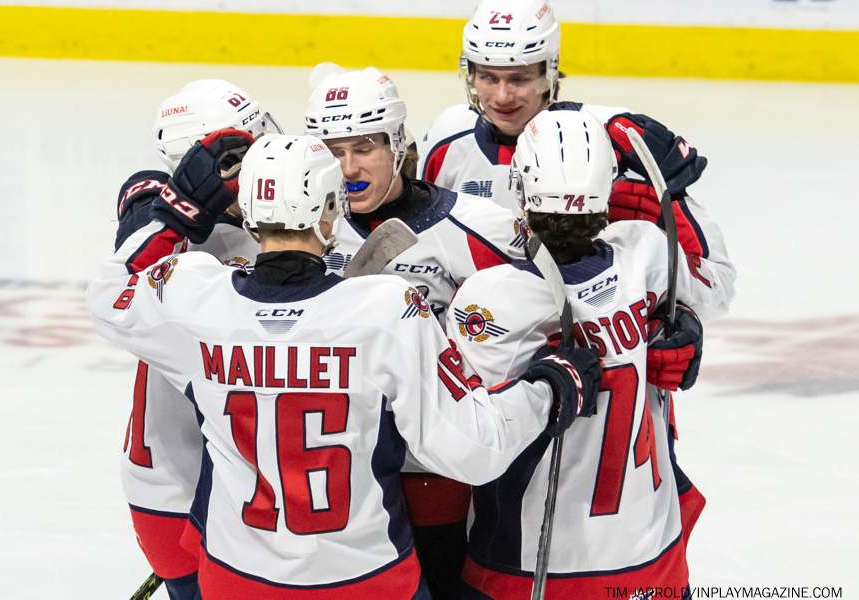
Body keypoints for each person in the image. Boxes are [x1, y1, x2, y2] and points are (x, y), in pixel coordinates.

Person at [88, 130, 602, 599]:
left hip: (234, 579)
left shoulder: (191, 296)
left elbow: (110, 292)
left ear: (248, 213)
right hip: (366, 582)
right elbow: (471, 448)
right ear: (331, 211)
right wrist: (551, 386)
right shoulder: (386, 310)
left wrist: (177, 208)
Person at [418, 0, 737, 551]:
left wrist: (679, 316)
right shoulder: (447, 142)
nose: (502, 95)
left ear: (551, 72)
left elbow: (712, 282)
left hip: (604, 396)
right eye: (488, 77)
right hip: (490, 387)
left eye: (520, 77)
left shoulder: (612, 146)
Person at [446, 109, 718, 598]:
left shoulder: (493, 296)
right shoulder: (646, 253)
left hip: (532, 566)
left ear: (520, 188)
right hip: (651, 552)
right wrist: (678, 199)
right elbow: (714, 284)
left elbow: (464, 438)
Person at [304, 65, 526, 599]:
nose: (348, 168)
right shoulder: (298, 231)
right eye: (333, 151)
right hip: (330, 469)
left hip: (430, 467)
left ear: (397, 143)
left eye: (364, 148)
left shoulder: (477, 226)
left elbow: (553, 304)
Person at [114, 78, 280, 600]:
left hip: (275, 481)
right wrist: (184, 205)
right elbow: (139, 219)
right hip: (176, 483)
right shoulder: (162, 217)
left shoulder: (293, 209)